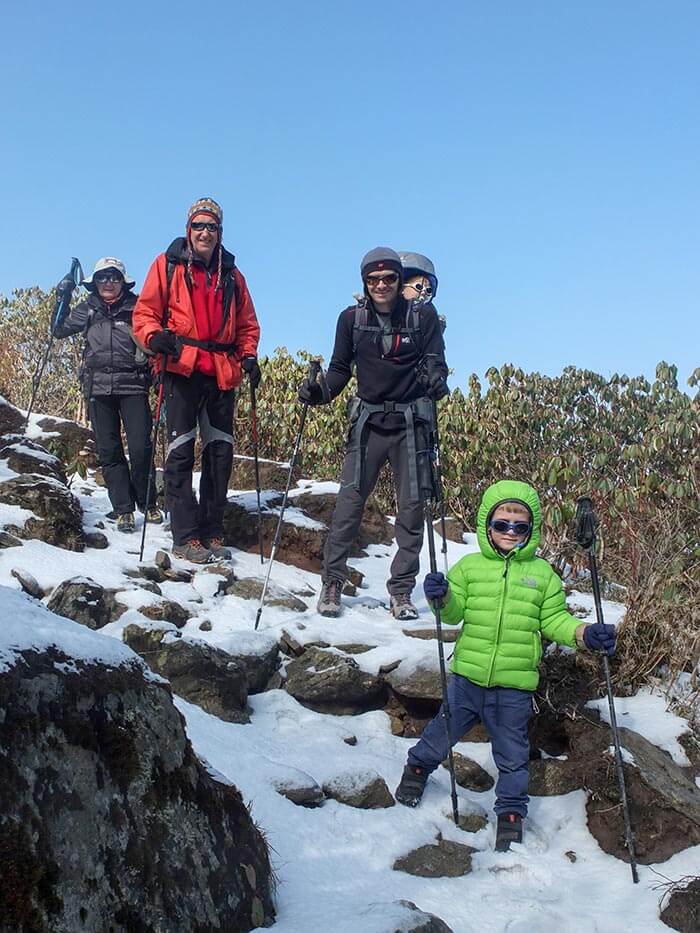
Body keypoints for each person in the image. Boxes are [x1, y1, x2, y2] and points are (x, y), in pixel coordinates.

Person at [394, 479, 617, 851]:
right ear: (487, 525)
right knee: (440, 733)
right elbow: (453, 613)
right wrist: (441, 595)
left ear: (532, 530)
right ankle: (417, 769)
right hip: (468, 678)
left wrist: (585, 634)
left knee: (513, 756)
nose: (510, 532)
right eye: (502, 525)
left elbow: (554, 621)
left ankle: (511, 814)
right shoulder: (469, 567)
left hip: (514, 687)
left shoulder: (543, 575)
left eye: (520, 527)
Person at [298, 247, 449, 620]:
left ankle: (401, 591)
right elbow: (339, 369)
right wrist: (319, 393)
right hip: (368, 425)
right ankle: (332, 582)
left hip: (411, 426)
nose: (381, 285)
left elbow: (437, 363)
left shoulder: (423, 317)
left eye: (389, 278)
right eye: (373, 279)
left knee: (412, 511)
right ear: (364, 284)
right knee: (349, 506)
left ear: (399, 281)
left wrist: (435, 378)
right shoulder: (351, 320)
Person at [133, 197, 261, 564]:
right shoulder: (167, 265)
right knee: (180, 453)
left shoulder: (233, 275)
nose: (205, 233)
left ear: (220, 232)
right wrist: (153, 337)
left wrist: (248, 355)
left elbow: (248, 324)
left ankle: (212, 531)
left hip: (221, 371)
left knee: (220, 454)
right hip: (181, 367)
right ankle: (185, 536)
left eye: (212, 227)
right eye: (199, 226)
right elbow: (144, 313)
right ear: (188, 229)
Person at [53, 257, 160, 534]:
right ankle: (123, 509)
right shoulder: (88, 308)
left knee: (140, 448)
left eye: (114, 277)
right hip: (98, 388)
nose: (108, 283)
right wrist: (62, 295)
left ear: (123, 281)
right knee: (109, 451)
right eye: (102, 277)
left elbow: (156, 336)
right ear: (94, 282)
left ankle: (148, 502)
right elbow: (58, 329)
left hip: (133, 386)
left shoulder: (138, 307)